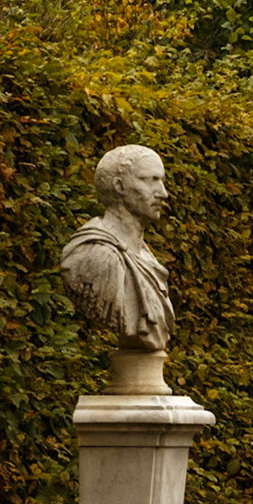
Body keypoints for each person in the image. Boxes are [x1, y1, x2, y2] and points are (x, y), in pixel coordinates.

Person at [60, 145, 174, 353]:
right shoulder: (92, 254)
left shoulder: (146, 257)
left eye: (162, 181)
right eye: (150, 180)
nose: (163, 194)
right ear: (119, 186)